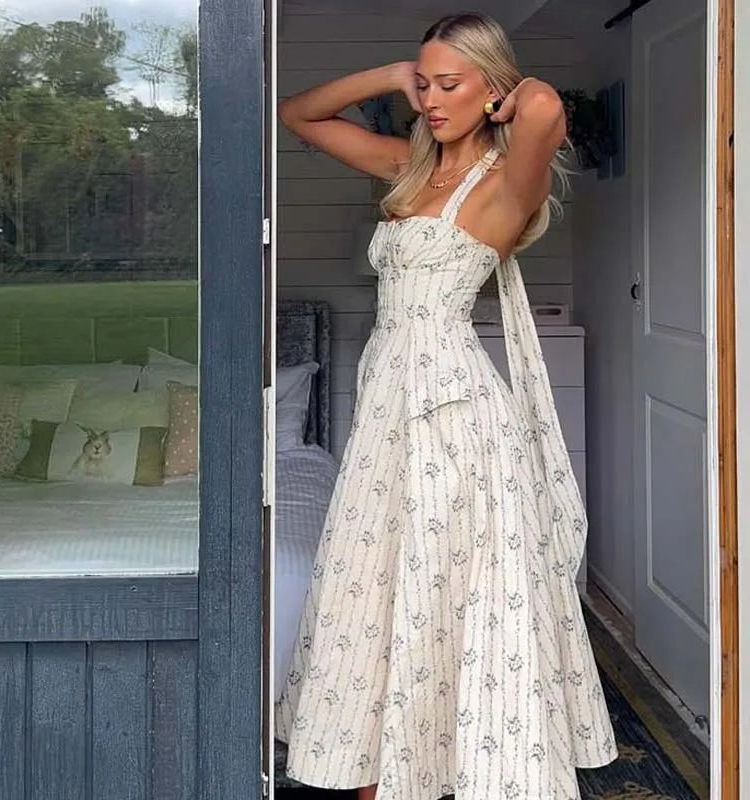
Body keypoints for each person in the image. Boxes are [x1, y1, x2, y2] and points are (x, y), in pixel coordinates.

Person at [274, 12, 618, 800]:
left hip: (456, 415)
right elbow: (298, 114)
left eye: (448, 84)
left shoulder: (506, 183)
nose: (431, 99)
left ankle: (461, 765)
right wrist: (395, 74)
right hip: (389, 410)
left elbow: (545, 112)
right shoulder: (403, 170)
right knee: (383, 585)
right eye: (424, 85)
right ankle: (382, 768)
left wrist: (508, 97)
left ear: (489, 88)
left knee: (444, 586)